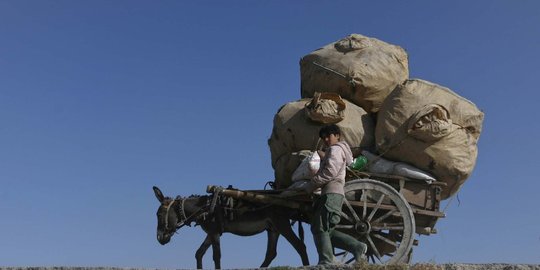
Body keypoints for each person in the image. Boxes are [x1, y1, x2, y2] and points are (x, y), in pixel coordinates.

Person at [305, 124, 367, 265]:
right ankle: (357, 247)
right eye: (323, 137)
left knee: (321, 227)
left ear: (337, 135)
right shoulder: (333, 151)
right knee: (321, 228)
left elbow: (330, 172)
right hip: (329, 193)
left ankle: (327, 261)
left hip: (332, 193)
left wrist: (312, 184)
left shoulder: (335, 150)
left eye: (329, 136)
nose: (326, 139)